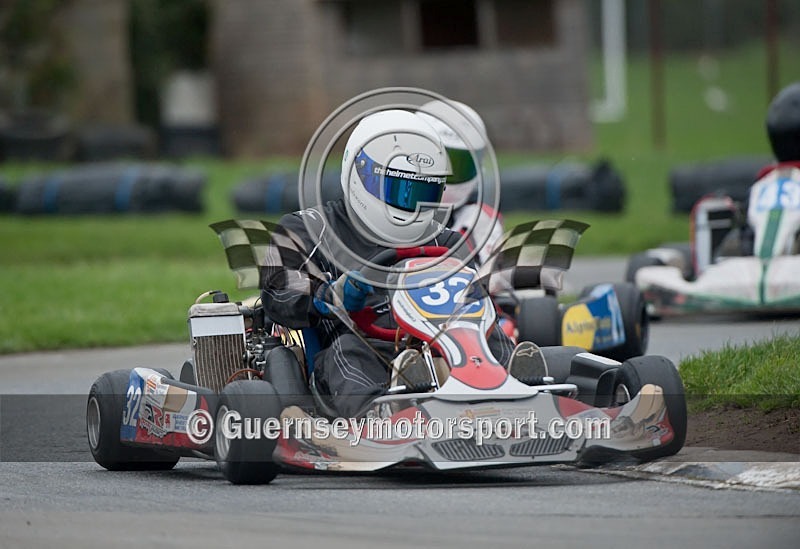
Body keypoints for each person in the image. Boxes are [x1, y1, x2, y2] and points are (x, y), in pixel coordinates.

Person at [260, 108, 543, 418]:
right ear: (361, 175)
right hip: (357, 348)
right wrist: (328, 295)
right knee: (349, 354)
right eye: (401, 191)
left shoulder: (442, 242)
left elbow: (471, 303)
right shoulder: (307, 230)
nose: (411, 206)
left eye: (423, 193)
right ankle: (381, 415)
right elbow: (277, 291)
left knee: (490, 337)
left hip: (441, 347)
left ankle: (521, 393)